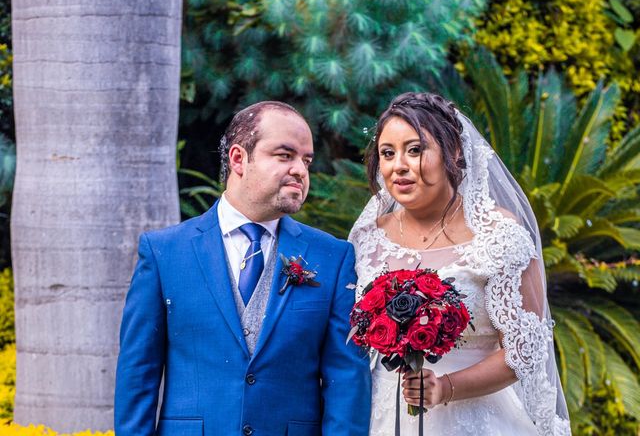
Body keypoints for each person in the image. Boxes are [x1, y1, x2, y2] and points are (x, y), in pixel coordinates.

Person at [115, 101, 371, 436]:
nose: (300, 170)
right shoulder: (165, 253)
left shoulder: (333, 258)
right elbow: (138, 372)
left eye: (306, 160)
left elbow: (346, 380)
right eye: (285, 155)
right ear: (239, 159)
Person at [349, 92, 571, 435]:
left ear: (453, 151)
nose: (399, 166)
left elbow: (524, 350)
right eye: (388, 154)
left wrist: (446, 387)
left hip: (476, 417)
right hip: (382, 415)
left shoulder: (500, 236)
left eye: (415, 150)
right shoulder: (367, 237)